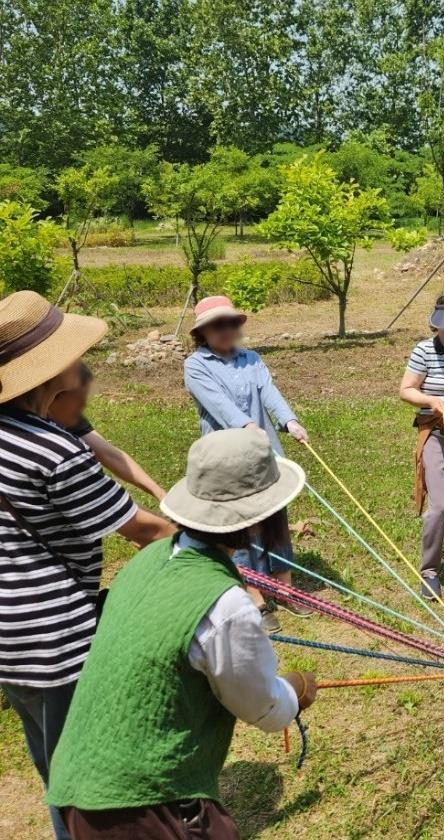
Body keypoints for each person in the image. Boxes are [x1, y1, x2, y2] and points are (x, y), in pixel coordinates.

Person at [47, 427, 318, 839]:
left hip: (75, 786)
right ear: (263, 517)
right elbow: (262, 707)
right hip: (141, 806)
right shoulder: (226, 605)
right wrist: (296, 691)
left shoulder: (150, 558)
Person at [0, 291, 175, 840]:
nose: (85, 367)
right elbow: (139, 530)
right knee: (85, 772)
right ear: (52, 374)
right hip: (56, 637)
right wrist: (208, 546)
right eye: (76, 358)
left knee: (52, 760)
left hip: (9, 634)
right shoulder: (55, 451)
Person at [184, 295, 310, 633]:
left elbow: (269, 393)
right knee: (241, 526)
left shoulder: (251, 359)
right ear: (203, 333)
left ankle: (284, 585)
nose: (225, 331)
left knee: (275, 520)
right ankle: (253, 596)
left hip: (264, 453)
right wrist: (248, 427)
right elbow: (220, 405)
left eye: (230, 324)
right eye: (216, 326)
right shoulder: (196, 366)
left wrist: (289, 421)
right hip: (229, 459)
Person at [399, 292, 444, 600]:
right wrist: (431, 401)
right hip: (436, 432)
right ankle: (429, 569)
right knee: (439, 504)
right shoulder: (424, 350)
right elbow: (406, 390)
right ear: (436, 324)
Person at [47, 363, 167, 501]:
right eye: (78, 400)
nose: (83, 407)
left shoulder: (62, 414)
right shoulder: (42, 441)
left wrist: (160, 493)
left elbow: (109, 454)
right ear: (54, 396)